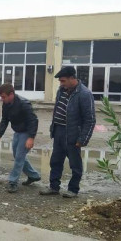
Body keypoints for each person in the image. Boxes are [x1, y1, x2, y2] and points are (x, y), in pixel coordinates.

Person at [39, 66, 96, 198]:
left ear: (72, 78)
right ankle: (54, 187)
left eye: (63, 80)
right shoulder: (62, 90)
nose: (61, 83)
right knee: (55, 161)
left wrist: (83, 139)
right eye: (60, 81)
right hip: (58, 130)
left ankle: (73, 189)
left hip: (73, 134)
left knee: (75, 164)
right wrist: (53, 129)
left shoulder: (84, 94)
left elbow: (90, 119)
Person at [0, 83, 41, 193]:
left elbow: (33, 120)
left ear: (11, 94)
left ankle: (13, 182)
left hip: (27, 132)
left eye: (3, 97)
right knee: (18, 155)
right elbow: (4, 120)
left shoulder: (24, 104)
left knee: (19, 157)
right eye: (1, 96)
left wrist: (31, 137)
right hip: (17, 132)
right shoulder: (6, 104)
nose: (1, 99)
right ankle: (34, 175)